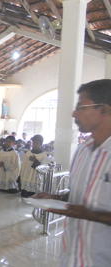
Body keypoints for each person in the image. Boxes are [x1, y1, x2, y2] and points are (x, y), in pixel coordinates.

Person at [32, 79, 111, 266]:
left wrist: (89, 214)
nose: (74, 113)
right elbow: (82, 195)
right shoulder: (84, 149)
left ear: (104, 110)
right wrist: (57, 199)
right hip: (72, 258)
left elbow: (87, 210)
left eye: (81, 107)